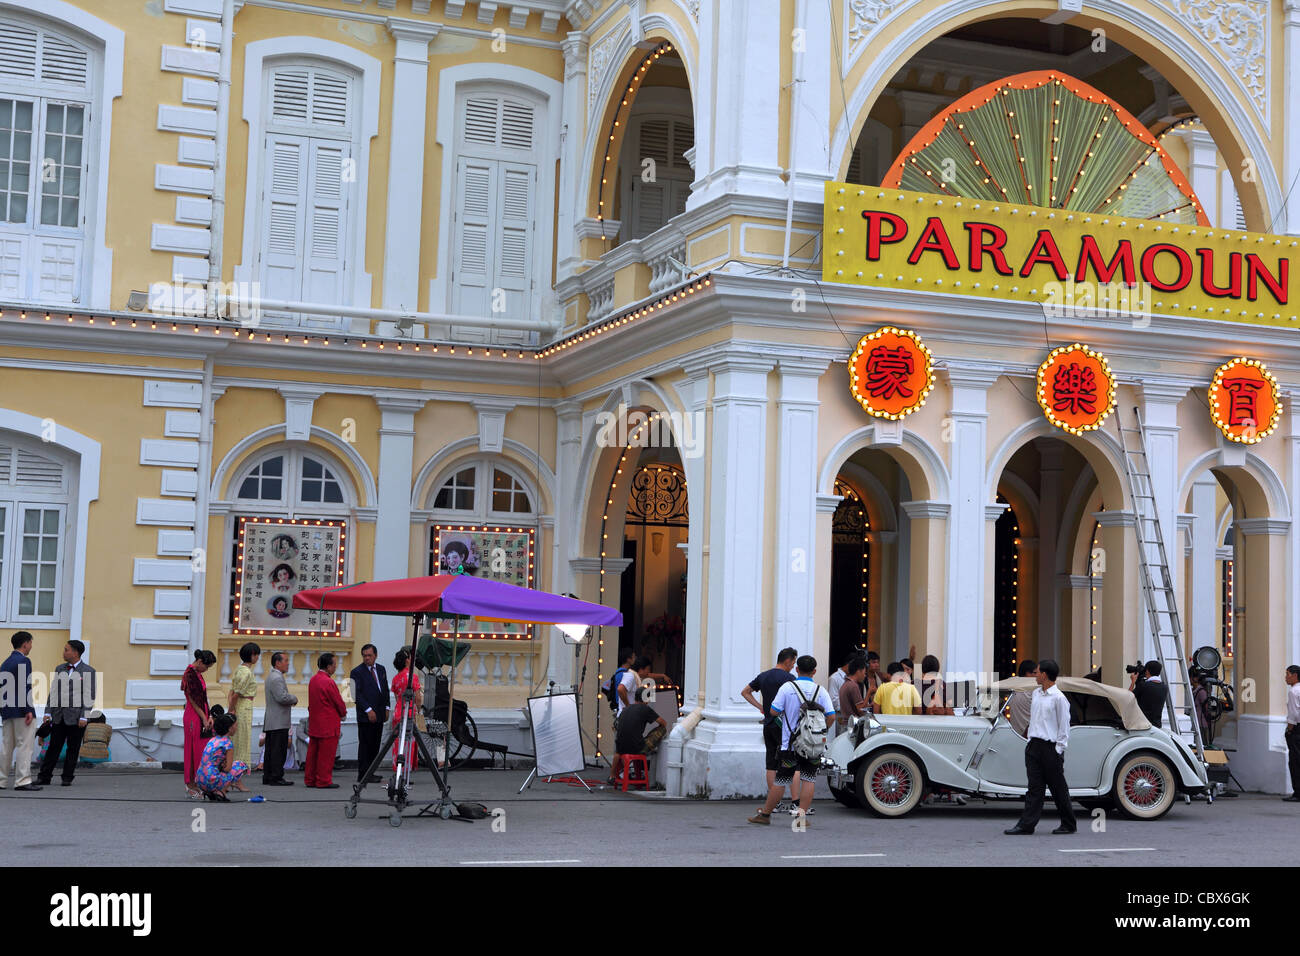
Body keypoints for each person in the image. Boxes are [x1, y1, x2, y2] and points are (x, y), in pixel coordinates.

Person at [748, 655, 835, 825]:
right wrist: (820, 731)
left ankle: (765, 815)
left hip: (790, 745)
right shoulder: (820, 690)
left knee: (781, 780)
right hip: (813, 745)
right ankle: (801, 818)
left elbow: (773, 711)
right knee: (809, 779)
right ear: (814, 671)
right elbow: (831, 716)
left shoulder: (788, 688)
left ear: (797, 670)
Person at [1005, 658, 1076, 835]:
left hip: (1050, 748)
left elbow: (1064, 726)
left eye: (1037, 672)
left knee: (1058, 789)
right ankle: (1026, 825)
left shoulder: (1059, 698)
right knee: (1034, 788)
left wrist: (1059, 749)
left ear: (1044, 675)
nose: (1035, 675)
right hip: (1034, 746)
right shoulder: (1036, 693)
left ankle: (1069, 824)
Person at [741, 646, 798, 811]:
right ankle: (795, 802)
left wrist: (761, 706)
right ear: (787, 660)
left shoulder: (763, 676)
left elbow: (745, 692)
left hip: (768, 724)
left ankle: (775, 803)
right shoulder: (790, 678)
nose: (793, 665)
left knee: (771, 764)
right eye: (793, 662)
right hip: (785, 725)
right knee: (791, 762)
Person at [37, 640, 96, 788]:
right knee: (53, 748)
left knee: (73, 748)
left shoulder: (88, 671)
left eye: (66, 650)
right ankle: (44, 776)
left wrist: (84, 716)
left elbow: (89, 696)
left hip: (77, 718)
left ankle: (67, 777)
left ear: (75, 652)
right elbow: (53, 692)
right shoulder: (60, 669)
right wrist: (48, 712)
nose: (63, 652)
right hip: (58, 716)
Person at [0, 632, 40, 791]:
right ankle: (23, 780)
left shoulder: (6, 662)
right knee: (25, 746)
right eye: (30, 643)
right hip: (21, 710)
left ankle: (1, 780)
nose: (31, 646)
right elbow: (25, 686)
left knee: (7, 746)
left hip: (7, 709)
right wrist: (28, 709)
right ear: (25, 644)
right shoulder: (24, 660)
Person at [609, 687, 668, 784]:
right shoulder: (645, 709)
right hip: (637, 748)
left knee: (621, 748)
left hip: (620, 748)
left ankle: (612, 775)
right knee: (662, 729)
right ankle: (638, 770)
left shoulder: (625, 709)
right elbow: (663, 723)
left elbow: (617, 725)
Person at [305, 652, 347, 788]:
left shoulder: (313, 680)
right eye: (334, 665)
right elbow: (338, 701)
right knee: (326, 755)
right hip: (328, 723)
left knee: (313, 753)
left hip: (315, 722)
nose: (335, 667)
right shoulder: (329, 682)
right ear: (328, 666)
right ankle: (323, 780)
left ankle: (310, 779)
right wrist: (343, 713)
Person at [350, 644, 389, 782]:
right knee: (365, 746)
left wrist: (387, 708)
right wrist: (368, 710)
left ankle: (371, 772)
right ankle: (363, 774)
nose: (367, 658)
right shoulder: (357, 672)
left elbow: (385, 690)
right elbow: (356, 694)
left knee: (375, 745)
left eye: (369, 655)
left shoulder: (381, 669)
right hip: (366, 715)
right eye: (364, 655)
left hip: (379, 713)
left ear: (375, 655)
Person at [180, 649, 217, 797]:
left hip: (201, 714)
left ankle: (197, 781)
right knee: (192, 750)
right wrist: (203, 717)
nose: (207, 670)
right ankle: (190, 783)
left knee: (200, 750)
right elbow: (193, 700)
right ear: (200, 662)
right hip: (193, 716)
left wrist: (209, 716)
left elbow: (202, 699)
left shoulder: (197, 674)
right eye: (207, 667)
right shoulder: (190, 674)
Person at [195, 706, 250, 801]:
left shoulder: (212, 740)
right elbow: (228, 768)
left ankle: (210, 791)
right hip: (211, 780)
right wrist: (223, 766)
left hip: (200, 780)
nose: (237, 728)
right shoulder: (228, 743)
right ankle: (221, 791)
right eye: (236, 725)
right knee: (240, 765)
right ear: (230, 728)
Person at [262, 651, 297, 786]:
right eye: (286, 661)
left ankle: (269, 775)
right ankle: (276, 776)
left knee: (271, 750)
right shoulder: (277, 678)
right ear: (278, 663)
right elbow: (282, 697)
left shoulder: (272, 676)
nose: (288, 664)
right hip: (278, 721)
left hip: (273, 720)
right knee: (278, 750)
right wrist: (294, 698)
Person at [227, 642, 259, 779]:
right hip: (243, 707)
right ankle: (236, 776)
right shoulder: (246, 672)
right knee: (242, 741)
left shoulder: (239, 669)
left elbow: (231, 692)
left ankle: (234, 776)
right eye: (256, 655)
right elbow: (235, 695)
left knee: (237, 740)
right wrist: (231, 711)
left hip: (240, 705)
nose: (257, 658)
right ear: (252, 655)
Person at [389, 646, 423, 774]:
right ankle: (405, 771)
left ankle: (397, 768)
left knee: (397, 742)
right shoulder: (412, 677)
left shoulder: (395, 678)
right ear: (407, 661)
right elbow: (418, 698)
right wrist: (418, 710)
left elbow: (397, 697)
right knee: (408, 743)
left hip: (398, 712)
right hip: (408, 713)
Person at [1131, 660, 1168, 728]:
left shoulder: (1143, 685)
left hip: (1142, 725)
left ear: (1147, 671)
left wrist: (1133, 681)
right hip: (1156, 726)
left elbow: (1128, 697)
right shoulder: (1164, 687)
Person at [1007, 659, 1038, 737]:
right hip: (1032, 734)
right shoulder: (1036, 689)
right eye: (1035, 673)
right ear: (1027, 673)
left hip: (1015, 734)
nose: (1037, 675)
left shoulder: (1011, 686)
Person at [837, 655, 869, 729]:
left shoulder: (845, 684)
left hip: (846, 724)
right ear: (858, 671)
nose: (865, 676)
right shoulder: (853, 686)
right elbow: (861, 709)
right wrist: (869, 694)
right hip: (852, 726)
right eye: (864, 673)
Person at [1284, 665, 1300, 803]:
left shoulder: (1294, 692)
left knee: (1295, 761)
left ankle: (1298, 792)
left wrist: (1289, 730)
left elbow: (1294, 714)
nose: (1286, 677)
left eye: (1287, 674)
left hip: (1296, 730)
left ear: (1295, 676)